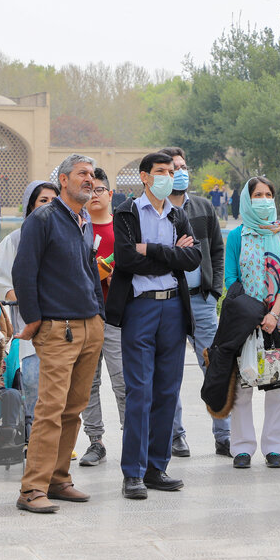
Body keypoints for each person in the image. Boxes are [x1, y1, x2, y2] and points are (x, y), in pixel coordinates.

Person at [12, 154, 105, 513]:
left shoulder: (84, 221)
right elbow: (23, 272)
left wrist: (99, 313)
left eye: (93, 175)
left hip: (89, 326)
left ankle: (59, 479)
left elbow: (89, 272)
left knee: (73, 409)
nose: (90, 179)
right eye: (82, 173)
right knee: (50, 409)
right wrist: (33, 320)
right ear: (63, 180)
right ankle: (32, 489)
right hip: (58, 330)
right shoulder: (43, 219)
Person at [107, 152, 201, 499]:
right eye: (161, 171)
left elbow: (193, 258)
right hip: (140, 311)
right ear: (144, 177)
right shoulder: (127, 212)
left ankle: (156, 467)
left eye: (172, 170)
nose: (168, 176)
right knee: (140, 392)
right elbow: (127, 258)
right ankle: (132, 472)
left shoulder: (178, 214)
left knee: (166, 391)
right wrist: (169, 254)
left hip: (174, 309)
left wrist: (153, 250)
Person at [162, 147, 229, 458]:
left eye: (184, 166)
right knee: (168, 371)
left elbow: (217, 250)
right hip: (169, 303)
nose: (181, 171)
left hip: (201, 301)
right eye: (174, 167)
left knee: (214, 366)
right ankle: (175, 435)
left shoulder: (202, 207)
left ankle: (224, 434)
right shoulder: (153, 211)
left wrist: (214, 289)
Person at [225, 177, 280, 470]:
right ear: (246, 199)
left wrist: (273, 313)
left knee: (277, 387)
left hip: (276, 322)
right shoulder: (236, 235)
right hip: (244, 321)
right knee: (243, 387)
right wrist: (253, 314)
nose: (264, 199)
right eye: (257, 195)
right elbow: (230, 279)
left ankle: (274, 449)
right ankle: (242, 448)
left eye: (268, 194)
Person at [0, 180, 59, 438]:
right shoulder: (16, 240)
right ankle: (32, 435)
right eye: (43, 201)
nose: (49, 207)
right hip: (28, 324)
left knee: (59, 385)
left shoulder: (66, 237)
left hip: (61, 325)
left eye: (54, 201)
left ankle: (55, 440)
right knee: (31, 380)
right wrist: (29, 299)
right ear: (31, 206)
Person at [78, 168, 127, 466]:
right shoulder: (78, 228)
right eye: (89, 190)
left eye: (100, 190)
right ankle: (95, 442)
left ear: (110, 195)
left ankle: (131, 436)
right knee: (88, 383)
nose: (94, 196)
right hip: (86, 316)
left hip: (117, 317)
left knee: (123, 381)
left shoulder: (122, 230)